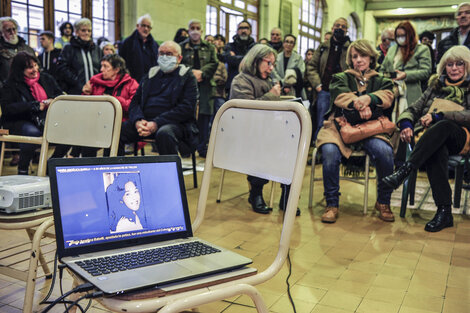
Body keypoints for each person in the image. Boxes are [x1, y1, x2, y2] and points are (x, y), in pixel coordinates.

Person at [383, 45, 470, 232]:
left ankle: (405, 169)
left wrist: (440, 116)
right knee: (436, 150)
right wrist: (406, 124)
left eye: (459, 64)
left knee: (443, 125)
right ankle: (444, 211)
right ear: (443, 67)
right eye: (450, 64)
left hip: (460, 137)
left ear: (467, 66)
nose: (454, 68)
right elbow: (413, 109)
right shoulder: (435, 86)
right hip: (432, 139)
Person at [316, 39, 395, 223]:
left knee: (385, 152)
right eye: (354, 56)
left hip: (370, 128)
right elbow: (340, 95)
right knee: (329, 152)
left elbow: (388, 96)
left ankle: (383, 201)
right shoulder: (340, 77)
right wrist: (360, 104)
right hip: (339, 126)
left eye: (363, 55)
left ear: (371, 57)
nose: (358, 60)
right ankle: (332, 203)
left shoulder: (381, 79)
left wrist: (369, 98)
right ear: (350, 59)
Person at [230, 44, 300, 216]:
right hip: (247, 132)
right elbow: (247, 111)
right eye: (268, 63)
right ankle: (256, 192)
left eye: (273, 64)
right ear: (255, 60)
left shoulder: (268, 80)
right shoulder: (241, 80)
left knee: (293, 142)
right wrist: (272, 96)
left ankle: (287, 192)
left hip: (270, 129)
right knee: (263, 142)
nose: (271, 68)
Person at [118, 41, 198, 158]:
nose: (165, 57)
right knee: (116, 131)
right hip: (145, 122)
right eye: (161, 53)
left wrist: (156, 123)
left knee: (164, 133)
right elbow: (135, 102)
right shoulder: (150, 76)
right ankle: (114, 169)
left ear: (179, 58)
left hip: (175, 123)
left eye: (169, 54)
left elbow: (187, 108)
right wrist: (138, 121)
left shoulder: (187, 77)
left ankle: (169, 175)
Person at [0, 52, 62, 175]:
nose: (34, 70)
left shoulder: (46, 78)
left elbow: (59, 95)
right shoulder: (10, 85)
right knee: (32, 133)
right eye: (30, 67)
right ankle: (22, 169)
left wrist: (52, 101)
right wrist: (34, 106)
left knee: (69, 131)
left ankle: (51, 163)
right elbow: (8, 108)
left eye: (35, 65)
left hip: (43, 119)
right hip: (18, 121)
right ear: (20, 70)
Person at [306, 17, 351, 141]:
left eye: (343, 27)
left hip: (344, 93)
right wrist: (318, 85)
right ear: (332, 28)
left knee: (342, 122)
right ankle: (318, 149)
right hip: (324, 91)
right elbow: (311, 67)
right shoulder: (323, 47)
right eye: (337, 26)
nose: (340, 28)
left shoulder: (350, 49)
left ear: (347, 30)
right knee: (322, 121)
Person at [180, 19, 218, 158]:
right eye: (192, 28)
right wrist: (192, 73)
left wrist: (202, 73)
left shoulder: (209, 47)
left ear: (201, 31)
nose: (195, 30)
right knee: (186, 116)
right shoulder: (181, 47)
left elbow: (214, 63)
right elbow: (179, 63)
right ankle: (186, 148)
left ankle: (202, 148)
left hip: (206, 87)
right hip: (187, 87)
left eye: (197, 28)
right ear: (188, 30)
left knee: (204, 118)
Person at [380, 21, 431, 109]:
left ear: (410, 35)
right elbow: (382, 69)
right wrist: (385, 76)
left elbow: (426, 71)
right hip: (391, 92)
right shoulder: (392, 49)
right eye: (398, 36)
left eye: (403, 35)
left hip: (410, 93)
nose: (400, 38)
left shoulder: (421, 49)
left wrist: (406, 75)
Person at [57, 18, 102, 95]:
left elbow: (101, 69)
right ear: (76, 32)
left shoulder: (97, 49)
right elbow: (63, 70)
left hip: (96, 91)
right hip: (76, 92)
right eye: (83, 30)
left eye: (89, 30)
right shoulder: (69, 48)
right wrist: (80, 85)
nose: (86, 33)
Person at [119, 14, 159, 83]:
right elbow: (122, 64)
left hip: (150, 82)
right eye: (143, 25)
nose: (146, 29)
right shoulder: (127, 43)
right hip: (133, 82)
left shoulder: (155, 45)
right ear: (137, 26)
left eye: (148, 27)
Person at [221, 20, 256, 97]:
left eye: (246, 28)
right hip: (232, 84)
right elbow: (229, 59)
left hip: (251, 83)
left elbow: (254, 61)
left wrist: (235, 57)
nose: (243, 30)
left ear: (250, 31)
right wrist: (247, 57)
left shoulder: (255, 47)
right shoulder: (230, 46)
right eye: (241, 28)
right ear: (237, 31)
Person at [0, 17, 35, 86]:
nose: (12, 32)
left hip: (29, 89)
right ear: (1, 33)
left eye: (14, 29)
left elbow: (38, 69)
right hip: (8, 91)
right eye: (8, 30)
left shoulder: (28, 49)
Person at [272, 34, 305, 98]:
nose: (288, 44)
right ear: (283, 43)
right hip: (278, 87)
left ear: (294, 45)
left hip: (294, 89)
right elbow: (273, 72)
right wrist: (283, 83)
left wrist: (288, 84)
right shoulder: (276, 57)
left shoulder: (298, 58)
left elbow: (301, 72)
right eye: (287, 41)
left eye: (291, 42)